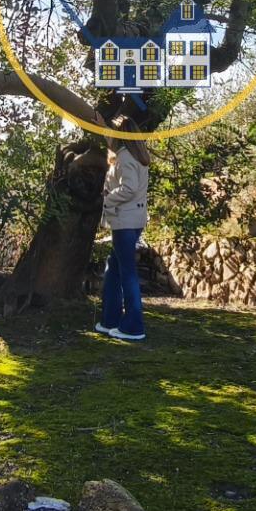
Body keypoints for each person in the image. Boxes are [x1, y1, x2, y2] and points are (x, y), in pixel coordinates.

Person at [96, 116, 150, 342]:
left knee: (126, 273)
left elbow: (129, 188)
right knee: (115, 269)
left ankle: (133, 326)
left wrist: (108, 199)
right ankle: (110, 319)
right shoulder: (136, 156)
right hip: (131, 220)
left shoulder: (126, 157)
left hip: (125, 221)